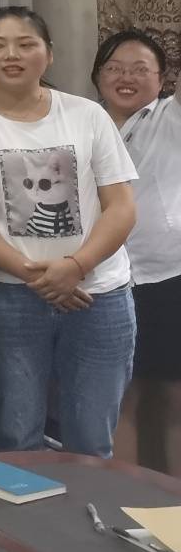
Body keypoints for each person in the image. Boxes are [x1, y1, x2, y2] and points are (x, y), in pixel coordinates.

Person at [0, 8, 139, 457]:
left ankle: (87, 507)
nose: (11, 54)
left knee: (92, 439)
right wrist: (37, 275)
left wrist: (75, 266)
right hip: (10, 298)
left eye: (26, 44)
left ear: (49, 54)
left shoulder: (87, 115)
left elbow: (122, 207)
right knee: (17, 437)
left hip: (98, 294)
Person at [96, 31, 181, 471]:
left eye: (140, 69)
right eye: (114, 68)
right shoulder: (82, 121)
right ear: (97, 76)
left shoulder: (171, 115)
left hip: (167, 276)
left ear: (163, 78)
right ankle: (125, 498)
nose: (125, 78)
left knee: (172, 394)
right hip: (101, 279)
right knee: (119, 396)